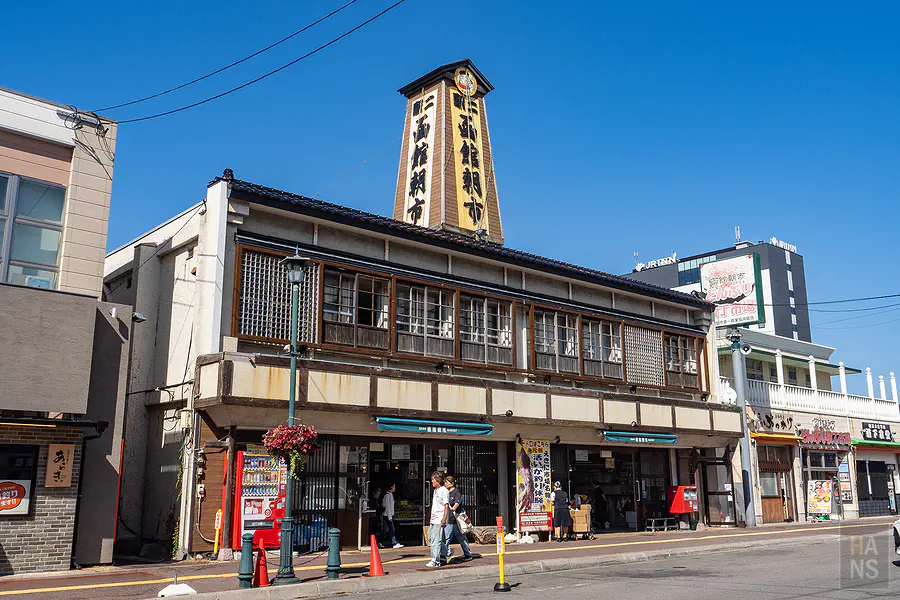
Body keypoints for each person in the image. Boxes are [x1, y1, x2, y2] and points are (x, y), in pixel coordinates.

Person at [443, 476, 473, 562]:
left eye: (446, 482)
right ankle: (447, 553)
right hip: (450, 518)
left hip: (456, 519)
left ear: (452, 484)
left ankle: (466, 554)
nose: (445, 484)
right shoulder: (446, 492)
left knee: (455, 537)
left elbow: (456, 504)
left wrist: (450, 507)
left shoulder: (457, 492)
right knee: (451, 537)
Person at [425, 472, 450, 568]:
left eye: (433, 480)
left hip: (439, 519)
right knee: (431, 538)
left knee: (436, 540)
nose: (431, 481)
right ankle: (446, 551)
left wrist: (444, 519)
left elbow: (446, 506)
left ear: (438, 481)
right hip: (434, 518)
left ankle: (435, 561)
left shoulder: (444, 491)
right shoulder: (436, 490)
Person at [382, 483, 403, 549]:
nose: (395, 488)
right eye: (394, 486)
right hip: (387, 515)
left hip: (389, 515)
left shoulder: (390, 495)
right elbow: (387, 507)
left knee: (387, 530)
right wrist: (389, 517)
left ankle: (380, 542)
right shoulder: (387, 495)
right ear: (390, 487)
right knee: (391, 529)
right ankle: (394, 543)